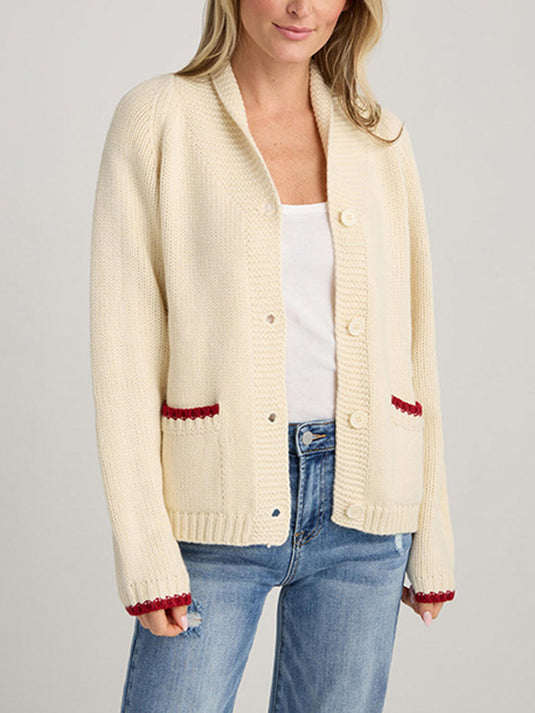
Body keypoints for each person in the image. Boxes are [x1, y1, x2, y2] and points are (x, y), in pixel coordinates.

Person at [89, 1, 456, 711]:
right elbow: (123, 351)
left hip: (366, 509)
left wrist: (432, 534)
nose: (300, 7)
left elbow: (416, 346)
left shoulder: (379, 137)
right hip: (215, 498)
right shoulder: (159, 118)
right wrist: (144, 551)